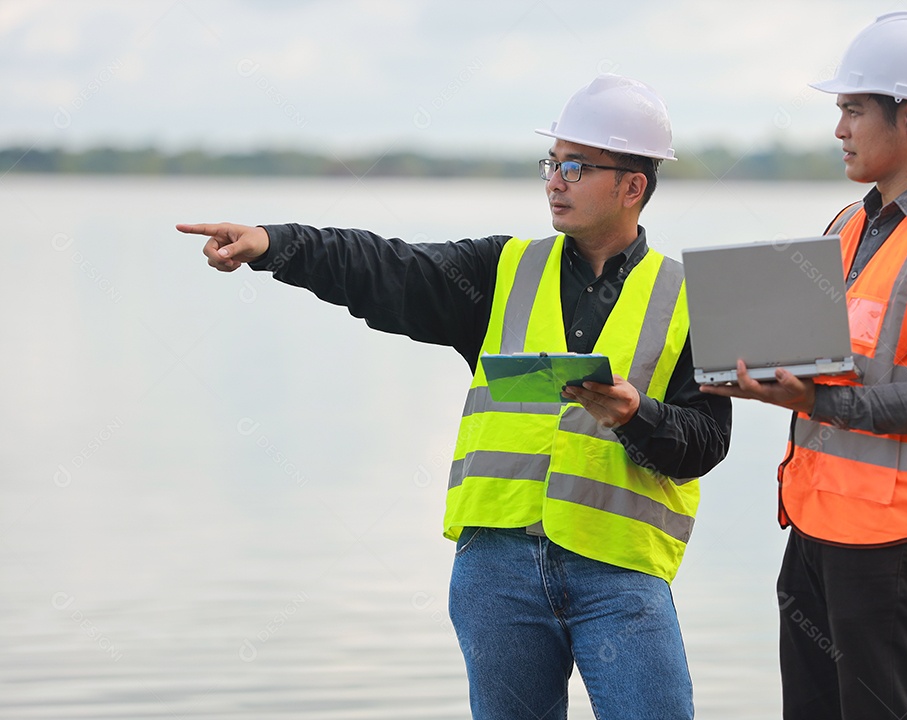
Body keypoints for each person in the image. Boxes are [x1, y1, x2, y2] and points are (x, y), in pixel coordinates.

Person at [179, 74, 731, 719]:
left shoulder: (691, 298)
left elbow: (706, 442)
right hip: (497, 571)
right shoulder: (500, 270)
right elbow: (388, 269)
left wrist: (638, 417)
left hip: (621, 575)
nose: (554, 181)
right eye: (552, 162)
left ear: (632, 186)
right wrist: (277, 245)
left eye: (576, 167)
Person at [701, 12, 907, 720]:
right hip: (817, 529)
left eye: (853, 110)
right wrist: (753, 367)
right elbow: (834, 360)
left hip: (894, 545)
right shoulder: (849, 225)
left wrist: (814, 402)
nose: (839, 129)